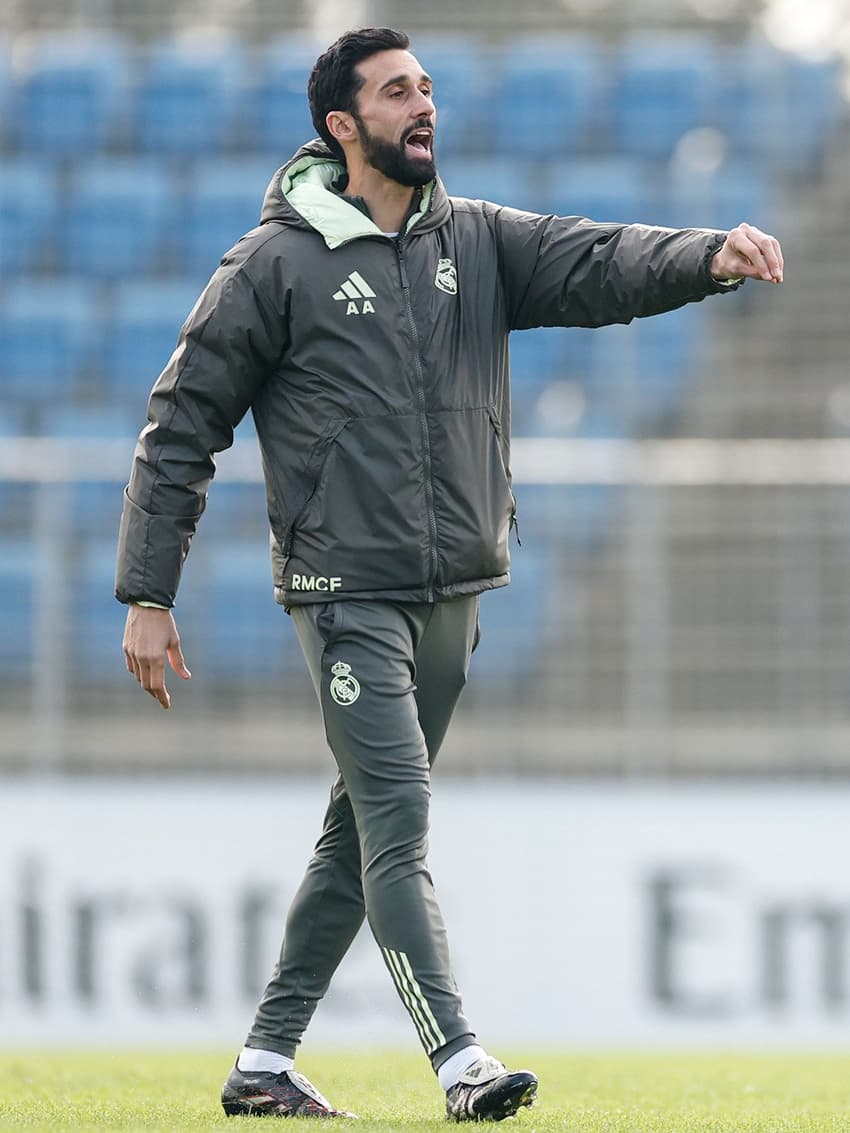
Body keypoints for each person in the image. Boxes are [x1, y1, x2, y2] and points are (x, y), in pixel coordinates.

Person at [116, 26, 784, 1122]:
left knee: (360, 831)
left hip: (454, 593)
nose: (424, 104)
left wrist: (707, 255)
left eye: (427, 86)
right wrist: (149, 591)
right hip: (343, 595)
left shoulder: (473, 239)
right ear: (343, 126)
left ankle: (263, 1061)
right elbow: (179, 425)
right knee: (398, 815)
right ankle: (460, 1059)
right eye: (396, 92)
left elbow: (599, 260)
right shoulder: (271, 265)